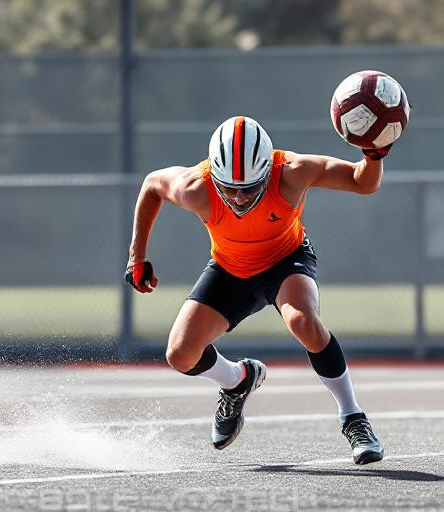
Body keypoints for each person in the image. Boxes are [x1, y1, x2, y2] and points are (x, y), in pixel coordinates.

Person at [125, 116, 391, 465]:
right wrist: (137, 256)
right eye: (229, 187)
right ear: (213, 177)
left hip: (286, 260)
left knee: (303, 323)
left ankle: (353, 417)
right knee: (180, 354)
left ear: (268, 171)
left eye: (249, 188)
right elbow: (151, 186)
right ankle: (237, 380)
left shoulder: (294, 171)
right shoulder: (195, 187)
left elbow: (362, 183)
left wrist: (374, 155)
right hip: (230, 269)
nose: (238, 197)